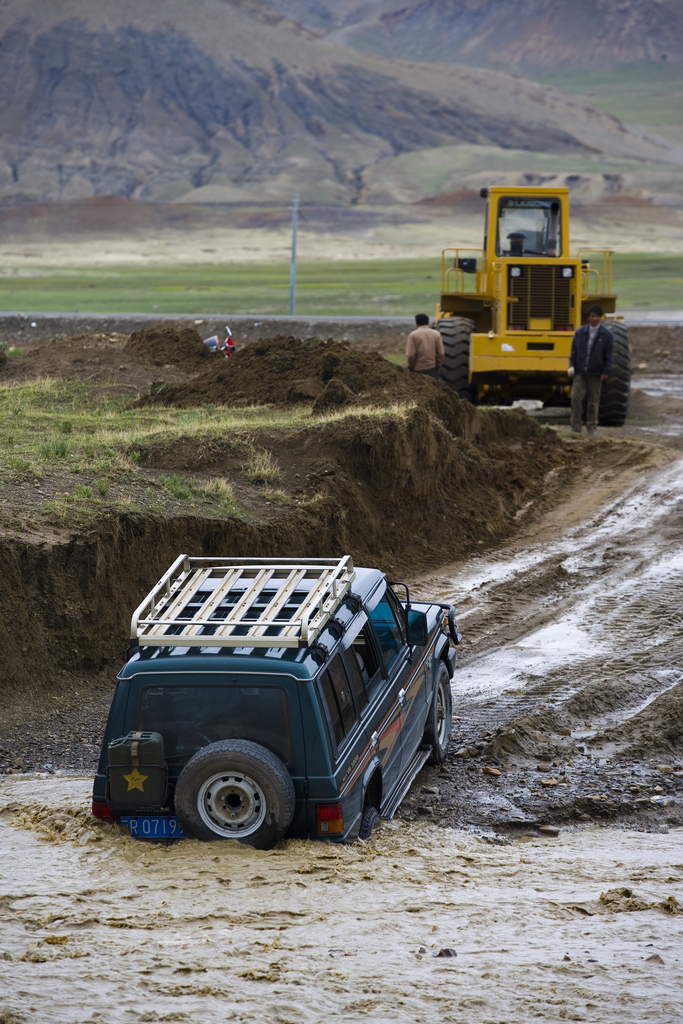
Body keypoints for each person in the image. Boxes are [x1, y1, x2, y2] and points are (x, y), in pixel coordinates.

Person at [568, 305, 613, 436]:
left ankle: (591, 427)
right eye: (592, 316)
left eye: (597, 316)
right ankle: (575, 427)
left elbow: (609, 356)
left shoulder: (607, 335)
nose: (595, 319)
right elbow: (574, 352)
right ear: (588, 317)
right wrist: (572, 365)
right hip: (579, 372)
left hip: (596, 373)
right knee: (576, 398)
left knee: (593, 401)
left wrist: (606, 371)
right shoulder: (580, 332)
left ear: (601, 317)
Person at [406, 314, 444, 379]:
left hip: (417, 370)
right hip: (432, 369)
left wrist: (410, 367)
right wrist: (438, 365)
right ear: (428, 322)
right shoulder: (436, 334)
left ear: (416, 323)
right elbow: (441, 353)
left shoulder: (413, 335)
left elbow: (410, 355)